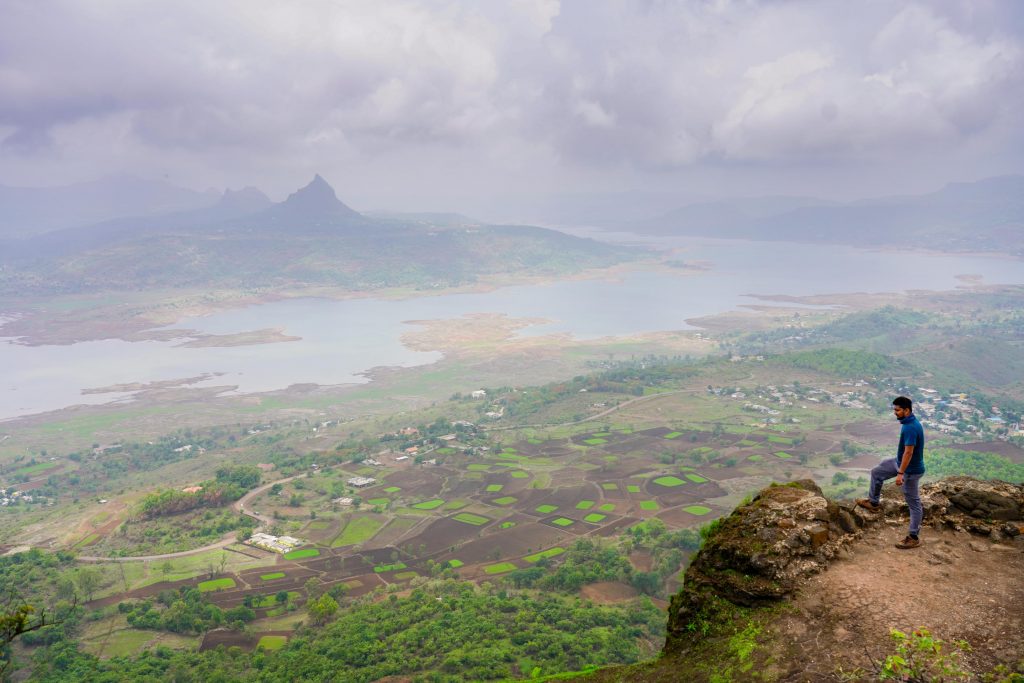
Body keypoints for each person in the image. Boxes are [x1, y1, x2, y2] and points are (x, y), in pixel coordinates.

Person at [856, 396, 925, 549]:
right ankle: (873, 503)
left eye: (898, 410)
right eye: (894, 409)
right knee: (877, 472)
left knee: (913, 503)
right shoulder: (908, 423)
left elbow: (909, 453)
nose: (895, 412)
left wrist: (901, 473)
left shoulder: (910, 427)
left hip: (910, 471)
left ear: (907, 410)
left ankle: (913, 537)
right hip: (899, 463)